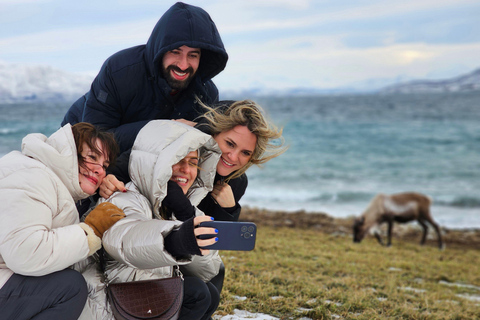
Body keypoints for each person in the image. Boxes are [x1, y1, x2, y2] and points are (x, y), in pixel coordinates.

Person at [102, 99, 287, 294]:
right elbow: (133, 163)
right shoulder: (183, 144)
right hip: (144, 239)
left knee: (211, 283)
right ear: (214, 133)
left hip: (188, 247)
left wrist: (228, 211)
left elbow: (214, 241)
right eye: (229, 144)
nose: (233, 157)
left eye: (245, 152)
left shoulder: (236, 183)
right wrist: (109, 179)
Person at [78, 120, 223, 320]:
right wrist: (175, 240)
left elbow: (209, 269)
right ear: (155, 163)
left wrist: (186, 214)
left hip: (143, 296)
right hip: (110, 300)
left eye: (192, 163)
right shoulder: (123, 196)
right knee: (196, 292)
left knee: (208, 293)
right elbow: (125, 239)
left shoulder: (179, 206)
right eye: (178, 159)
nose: (185, 169)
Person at [61, 2, 228, 154]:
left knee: (238, 180)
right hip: (77, 142)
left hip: (144, 157)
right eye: (175, 52)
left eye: (193, 55)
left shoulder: (206, 94)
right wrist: (168, 128)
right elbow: (97, 139)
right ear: (160, 49)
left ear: (202, 58)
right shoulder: (119, 71)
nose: (183, 65)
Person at [0, 123, 126, 320]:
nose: (100, 170)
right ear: (68, 152)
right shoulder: (34, 176)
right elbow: (24, 252)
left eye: (104, 166)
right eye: (92, 157)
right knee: (70, 288)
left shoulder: (43, 174)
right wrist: (89, 232)